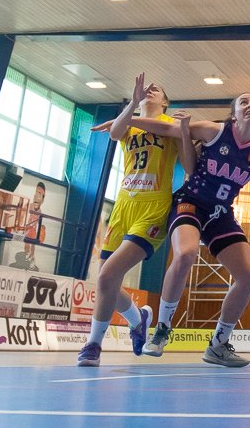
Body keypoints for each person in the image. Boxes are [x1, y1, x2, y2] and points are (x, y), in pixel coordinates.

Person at [116, 92, 250, 366]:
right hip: (190, 202)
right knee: (186, 254)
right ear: (234, 113)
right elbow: (169, 128)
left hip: (221, 213)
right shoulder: (214, 131)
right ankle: (161, 329)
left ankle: (218, 345)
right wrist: (127, 120)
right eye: (244, 102)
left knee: (247, 277)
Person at [77, 74, 182, 367]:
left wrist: (130, 116)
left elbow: (166, 131)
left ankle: (93, 345)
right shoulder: (129, 123)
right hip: (124, 204)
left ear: (165, 102)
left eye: (156, 90)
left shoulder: (171, 125)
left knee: (107, 276)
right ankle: (138, 319)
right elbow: (115, 134)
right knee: (105, 280)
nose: (150, 91)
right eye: (146, 89)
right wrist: (132, 103)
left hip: (153, 206)